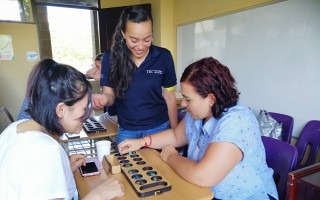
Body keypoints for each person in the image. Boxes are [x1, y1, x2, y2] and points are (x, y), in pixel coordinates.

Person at [118, 57, 279, 200]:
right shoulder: (199, 113)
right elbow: (175, 136)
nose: (183, 104)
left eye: (188, 99)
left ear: (210, 99)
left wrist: (171, 157)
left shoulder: (237, 121)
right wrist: (142, 142)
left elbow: (203, 177)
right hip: (202, 191)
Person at [0, 59, 124, 200]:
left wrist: (63, 170)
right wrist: (98, 195)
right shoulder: (46, 151)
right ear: (61, 110)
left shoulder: (16, 128)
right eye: (84, 109)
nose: (86, 115)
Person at [92, 6, 178, 145]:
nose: (140, 46)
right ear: (123, 34)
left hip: (159, 129)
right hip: (127, 131)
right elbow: (110, 95)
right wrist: (104, 99)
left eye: (146, 39)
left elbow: (170, 97)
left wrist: (175, 134)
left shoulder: (163, 57)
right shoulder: (111, 58)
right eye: (134, 40)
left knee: (161, 166)